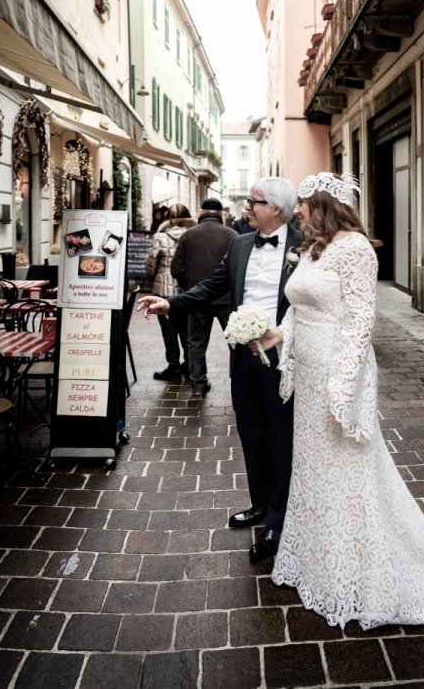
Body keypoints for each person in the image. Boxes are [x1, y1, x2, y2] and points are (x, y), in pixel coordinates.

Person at [254, 172, 424, 630]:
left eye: (303, 203)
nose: (296, 212)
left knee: (346, 467)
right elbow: (300, 308)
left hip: (335, 373)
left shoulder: (357, 249)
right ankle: (317, 559)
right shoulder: (313, 249)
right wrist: (276, 334)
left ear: (322, 203)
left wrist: (342, 390)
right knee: (314, 468)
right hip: (305, 374)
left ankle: (359, 571)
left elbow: (361, 322)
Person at [138, 178, 301, 562]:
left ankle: (278, 518)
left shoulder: (304, 246)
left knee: (281, 436)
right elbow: (212, 285)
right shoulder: (240, 243)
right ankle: (260, 502)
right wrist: (171, 303)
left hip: (284, 354)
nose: (247, 207)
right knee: (250, 429)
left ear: (275, 209)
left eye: (254, 201)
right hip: (243, 355)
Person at [171, 198, 236, 398]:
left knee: (196, 343)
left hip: (197, 298)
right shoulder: (233, 236)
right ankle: (239, 384)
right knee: (236, 343)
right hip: (227, 298)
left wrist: (191, 286)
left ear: (201, 212)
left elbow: (176, 269)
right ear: (221, 214)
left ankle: (198, 385)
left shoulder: (188, 235)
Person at [144, 203, 196, 381]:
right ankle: (189, 366)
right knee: (186, 330)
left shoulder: (159, 237)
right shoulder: (193, 236)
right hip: (186, 291)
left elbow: (151, 266)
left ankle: (173, 367)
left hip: (163, 290)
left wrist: (154, 277)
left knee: (169, 330)